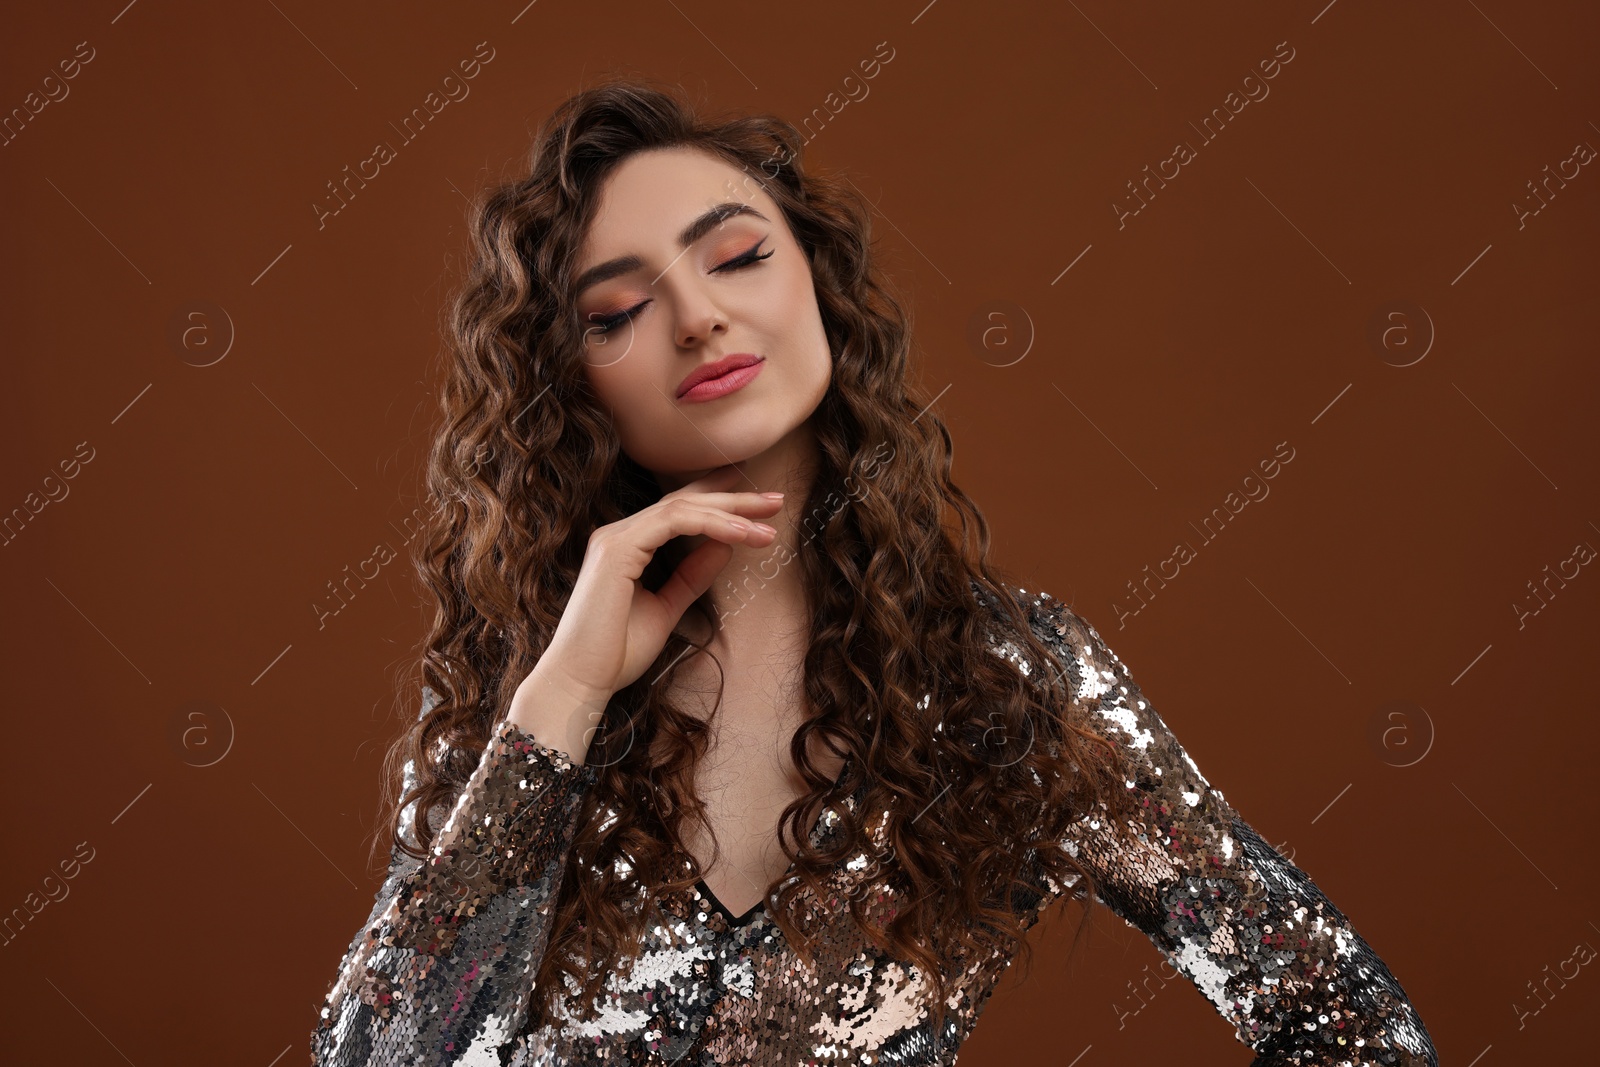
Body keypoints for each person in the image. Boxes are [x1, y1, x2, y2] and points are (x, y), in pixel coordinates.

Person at [308, 78, 1437, 1066]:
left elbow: (1350, 1028)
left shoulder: (1008, 684)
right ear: (573, 388)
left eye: (737, 255)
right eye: (616, 311)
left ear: (820, 287)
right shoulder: (526, 696)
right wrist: (563, 696)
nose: (698, 316)